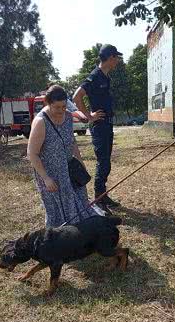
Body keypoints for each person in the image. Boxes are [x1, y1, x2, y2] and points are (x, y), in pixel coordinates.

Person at [27, 85, 98, 227]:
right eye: (57, 107)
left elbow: (71, 141)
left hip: (69, 168)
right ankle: (61, 238)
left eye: (64, 107)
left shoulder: (68, 117)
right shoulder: (41, 121)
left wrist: (80, 160)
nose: (61, 111)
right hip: (50, 173)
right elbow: (32, 153)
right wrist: (46, 178)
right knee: (58, 209)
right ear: (48, 103)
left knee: (79, 200)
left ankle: (81, 232)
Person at [73, 44, 123, 212]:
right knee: (103, 162)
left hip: (107, 124)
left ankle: (103, 195)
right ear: (110, 58)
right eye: (116, 57)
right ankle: (98, 199)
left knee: (106, 162)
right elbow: (77, 97)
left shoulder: (105, 76)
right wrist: (89, 116)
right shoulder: (95, 76)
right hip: (99, 126)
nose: (118, 61)